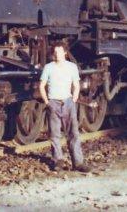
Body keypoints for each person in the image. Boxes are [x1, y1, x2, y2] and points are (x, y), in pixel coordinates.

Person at [39, 44, 91, 172]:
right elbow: (42, 85)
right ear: (53, 54)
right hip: (54, 103)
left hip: (68, 102)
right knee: (54, 135)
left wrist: (74, 99)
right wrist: (47, 102)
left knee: (73, 133)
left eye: (60, 52)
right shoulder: (48, 67)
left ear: (65, 53)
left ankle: (78, 163)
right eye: (55, 52)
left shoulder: (72, 67)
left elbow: (76, 85)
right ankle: (58, 161)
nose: (58, 55)